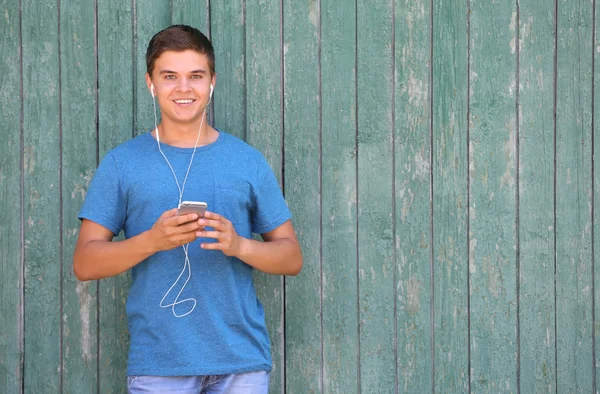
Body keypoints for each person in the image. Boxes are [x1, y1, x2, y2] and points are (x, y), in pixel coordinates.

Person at [73, 24, 302, 393]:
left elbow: (291, 257)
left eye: (196, 76)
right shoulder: (121, 163)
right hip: (160, 365)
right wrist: (152, 240)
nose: (183, 88)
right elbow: (84, 263)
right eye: (169, 76)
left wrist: (239, 245)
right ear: (151, 83)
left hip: (241, 364)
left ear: (212, 81)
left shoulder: (247, 161)